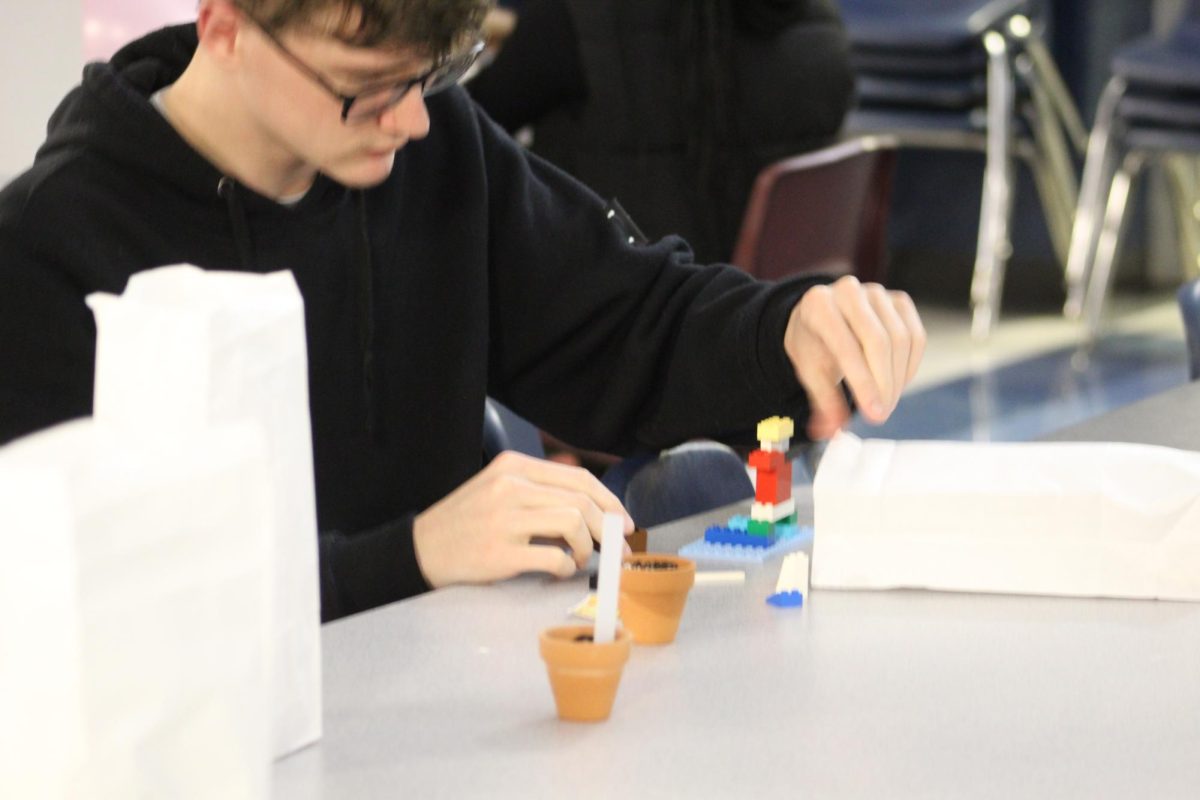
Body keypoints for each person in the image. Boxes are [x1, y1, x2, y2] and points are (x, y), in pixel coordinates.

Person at [0, 0, 924, 622]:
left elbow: (627, 323)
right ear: (227, 24)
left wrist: (789, 330)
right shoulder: (51, 249)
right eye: (364, 87)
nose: (411, 123)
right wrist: (409, 556)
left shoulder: (433, 156)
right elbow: (84, 606)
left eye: (434, 77)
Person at [467, 0, 855, 264]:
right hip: (775, 319)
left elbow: (463, 125)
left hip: (632, 322)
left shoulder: (581, 19)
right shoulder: (818, 23)